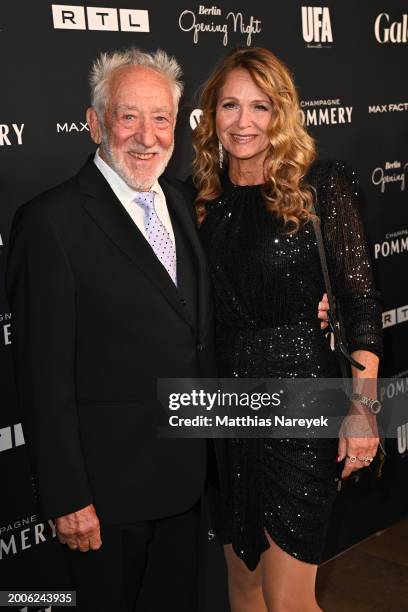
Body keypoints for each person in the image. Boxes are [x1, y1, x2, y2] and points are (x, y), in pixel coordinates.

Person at [6, 48, 216, 612]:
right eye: (128, 117)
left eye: (161, 118)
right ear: (95, 122)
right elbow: (42, 377)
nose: (147, 136)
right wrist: (68, 495)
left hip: (188, 481)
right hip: (106, 498)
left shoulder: (181, 198)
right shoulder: (51, 222)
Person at [193, 47, 383, 612]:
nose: (244, 122)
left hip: (301, 402)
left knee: (289, 600)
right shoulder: (197, 200)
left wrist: (363, 409)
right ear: (211, 113)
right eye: (230, 105)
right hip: (223, 409)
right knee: (244, 590)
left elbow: (360, 304)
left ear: (284, 113)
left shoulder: (320, 186)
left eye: (261, 106)